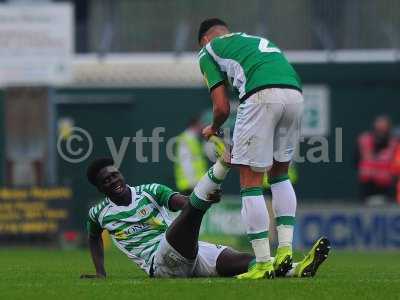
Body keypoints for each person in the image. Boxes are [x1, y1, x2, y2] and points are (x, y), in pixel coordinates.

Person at [80, 154, 330, 279]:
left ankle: (297, 269)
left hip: (189, 251)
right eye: (107, 180)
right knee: (193, 211)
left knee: (247, 261)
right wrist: (100, 273)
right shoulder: (98, 213)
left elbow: (183, 204)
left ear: (121, 174)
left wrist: (197, 203)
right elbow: (93, 238)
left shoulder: (149, 191)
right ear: (100, 188)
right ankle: (222, 164)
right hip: (161, 264)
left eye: (115, 175)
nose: (114, 181)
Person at [197, 18, 304, 279]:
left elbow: (222, 107)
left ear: (204, 39)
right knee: (279, 174)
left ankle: (264, 263)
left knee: (250, 181)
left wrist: (213, 127)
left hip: (260, 96)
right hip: (295, 95)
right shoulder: (252, 40)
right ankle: (285, 251)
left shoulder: (207, 51)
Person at [356, 116, 398, 203]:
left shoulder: (394, 143)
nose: (381, 130)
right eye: (379, 126)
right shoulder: (364, 140)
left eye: (384, 127)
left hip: (386, 185)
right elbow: (356, 160)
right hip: (368, 184)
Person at [174, 117, 208, 195]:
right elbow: (186, 163)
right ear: (194, 125)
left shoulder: (193, 139)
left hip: (195, 184)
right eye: (200, 125)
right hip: (190, 185)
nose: (202, 127)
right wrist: (193, 182)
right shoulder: (186, 139)